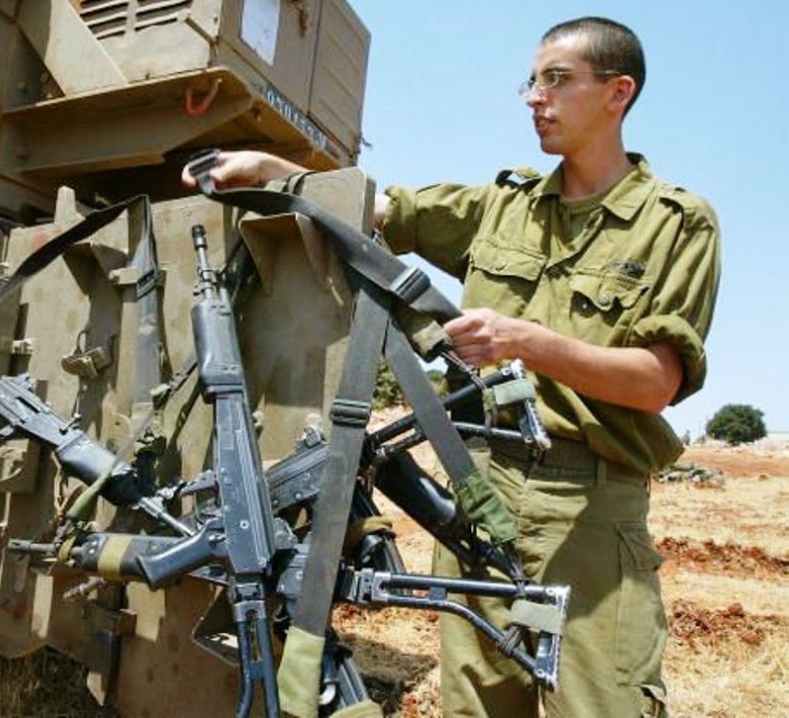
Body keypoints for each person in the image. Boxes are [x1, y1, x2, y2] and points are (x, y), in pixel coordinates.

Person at [183, 16, 720, 718]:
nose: (535, 96)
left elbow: (657, 381)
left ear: (619, 92)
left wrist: (525, 340)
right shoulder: (501, 208)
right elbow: (376, 211)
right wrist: (271, 170)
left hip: (588, 510)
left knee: (602, 706)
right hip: (477, 496)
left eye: (557, 79)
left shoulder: (677, 222)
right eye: (531, 80)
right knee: (475, 708)